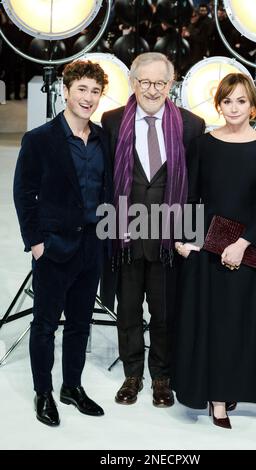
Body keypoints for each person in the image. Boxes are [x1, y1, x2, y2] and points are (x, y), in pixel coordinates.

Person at [171, 73, 256, 429]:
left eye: (241, 101)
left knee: (241, 325)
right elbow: (191, 196)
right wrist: (188, 241)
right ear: (218, 105)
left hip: (247, 250)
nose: (234, 108)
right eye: (227, 101)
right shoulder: (203, 144)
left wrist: (242, 243)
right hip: (209, 249)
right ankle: (217, 399)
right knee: (215, 325)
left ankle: (233, 387)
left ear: (254, 107)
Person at [101, 52, 205, 407]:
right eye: (144, 81)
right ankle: (133, 373)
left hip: (168, 236)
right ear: (132, 82)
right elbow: (108, 181)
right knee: (128, 309)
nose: (152, 89)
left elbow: (194, 185)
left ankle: (162, 375)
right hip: (126, 232)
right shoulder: (112, 121)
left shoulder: (192, 124)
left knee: (164, 310)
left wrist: (190, 235)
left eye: (160, 82)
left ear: (171, 84)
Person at [13, 60, 112, 426]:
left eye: (95, 91)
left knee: (81, 325)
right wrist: (36, 242)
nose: (88, 98)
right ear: (66, 91)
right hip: (53, 247)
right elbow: (24, 193)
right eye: (82, 89)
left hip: (92, 245)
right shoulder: (40, 139)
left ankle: (72, 386)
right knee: (44, 325)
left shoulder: (104, 138)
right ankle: (44, 393)